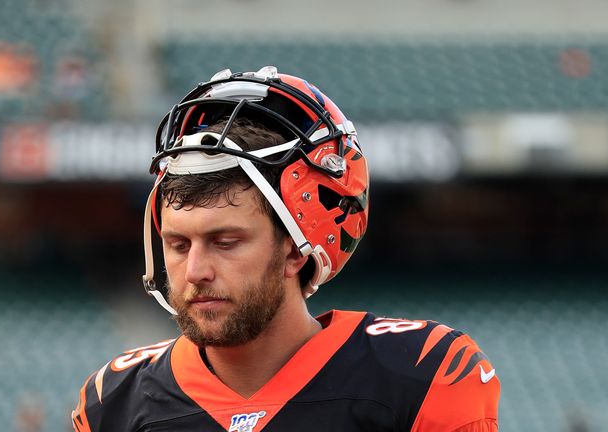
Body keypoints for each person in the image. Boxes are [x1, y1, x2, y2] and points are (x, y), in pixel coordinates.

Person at [72, 66, 500, 431]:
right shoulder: (114, 401)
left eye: (226, 242)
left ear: (297, 249)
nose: (195, 271)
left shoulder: (421, 373)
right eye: (178, 244)